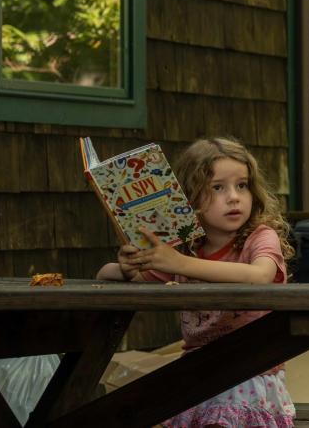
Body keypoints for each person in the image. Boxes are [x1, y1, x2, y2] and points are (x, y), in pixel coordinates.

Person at [97, 136, 297, 428]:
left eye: (242, 185)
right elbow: (108, 274)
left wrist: (179, 264)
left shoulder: (259, 237)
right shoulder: (187, 247)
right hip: (197, 375)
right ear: (188, 198)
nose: (234, 197)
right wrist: (126, 267)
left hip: (250, 372)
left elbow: (260, 276)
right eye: (218, 188)